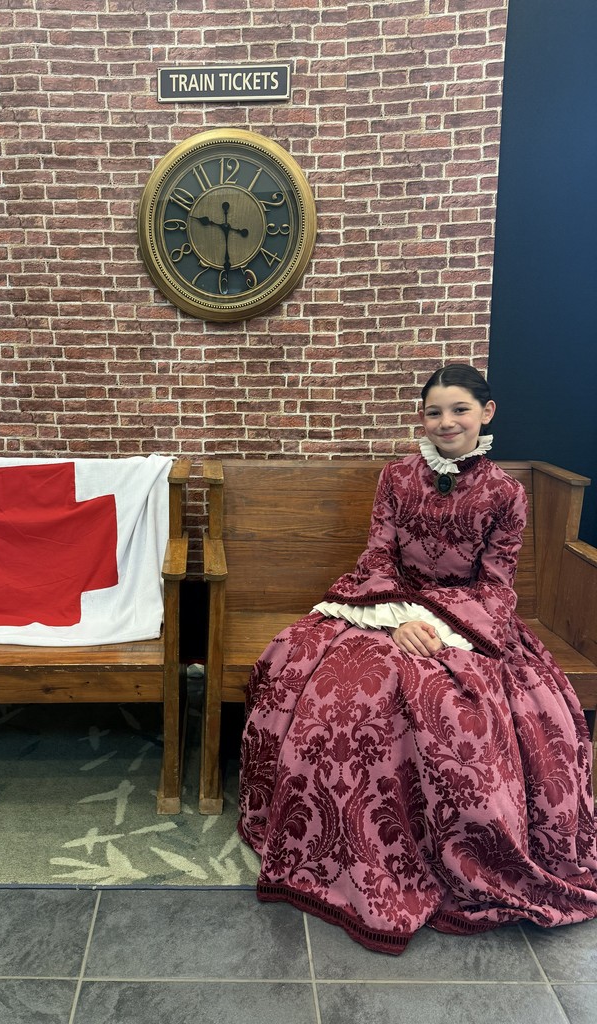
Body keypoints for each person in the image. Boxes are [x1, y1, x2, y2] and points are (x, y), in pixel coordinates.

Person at [238, 363, 597, 955]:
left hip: (464, 620)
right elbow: (377, 556)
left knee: (454, 705)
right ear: (421, 418)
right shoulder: (398, 475)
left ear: (487, 412)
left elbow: (498, 582)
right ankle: (335, 842)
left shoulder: (506, 492)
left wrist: (437, 625)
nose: (446, 421)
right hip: (386, 608)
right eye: (434, 412)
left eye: (459, 409)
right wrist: (399, 617)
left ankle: (442, 851)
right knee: (319, 673)